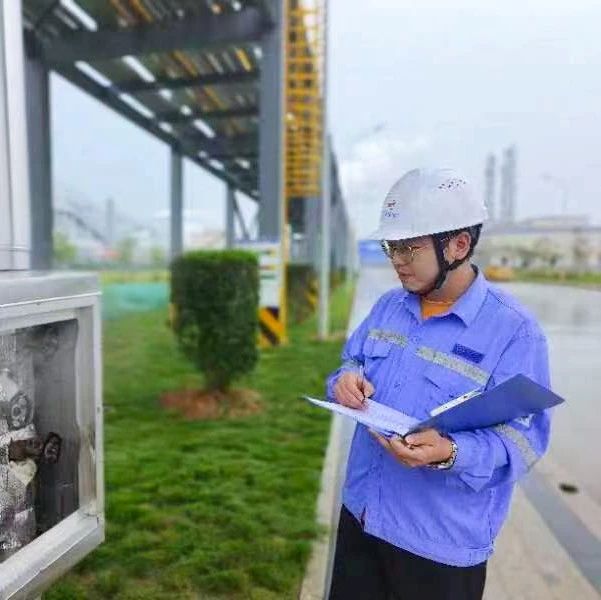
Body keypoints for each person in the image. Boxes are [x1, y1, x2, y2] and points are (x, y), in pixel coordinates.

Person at [326, 168, 553, 600]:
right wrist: (345, 380)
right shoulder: (389, 307)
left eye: (409, 247)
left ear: (459, 244)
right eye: (391, 246)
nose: (396, 260)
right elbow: (350, 360)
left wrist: (451, 453)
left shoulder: (514, 332)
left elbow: (524, 442)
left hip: (437, 548)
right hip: (362, 516)